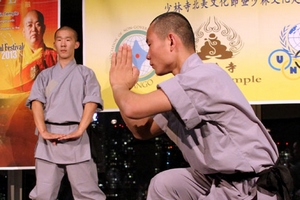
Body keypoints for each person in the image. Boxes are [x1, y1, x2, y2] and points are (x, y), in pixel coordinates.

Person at [109, 12, 293, 200]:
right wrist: (122, 90)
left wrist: (119, 86)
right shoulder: (179, 90)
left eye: (150, 44)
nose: (147, 55)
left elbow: (132, 106)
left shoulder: (201, 77)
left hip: (250, 185)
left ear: (171, 41)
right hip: (220, 180)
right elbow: (142, 130)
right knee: (164, 184)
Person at [26, 26, 106, 199]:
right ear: (54, 44)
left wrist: (79, 130)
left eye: (68, 39)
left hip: (77, 138)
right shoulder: (45, 76)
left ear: (76, 44)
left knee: (88, 194)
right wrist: (43, 131)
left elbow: (91, 102)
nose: (63, 44)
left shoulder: (86, 74)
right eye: (59, 40)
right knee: (43, 194)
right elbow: (36, 103)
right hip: (48, 141)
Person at [0, 9, 57, 167]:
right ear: (23, 31)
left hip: (46, 123)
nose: (34, 29)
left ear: (44, 29)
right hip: (19, 123)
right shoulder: (12, 61)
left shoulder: (55, 58)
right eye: (29, 25)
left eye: (38, 25)